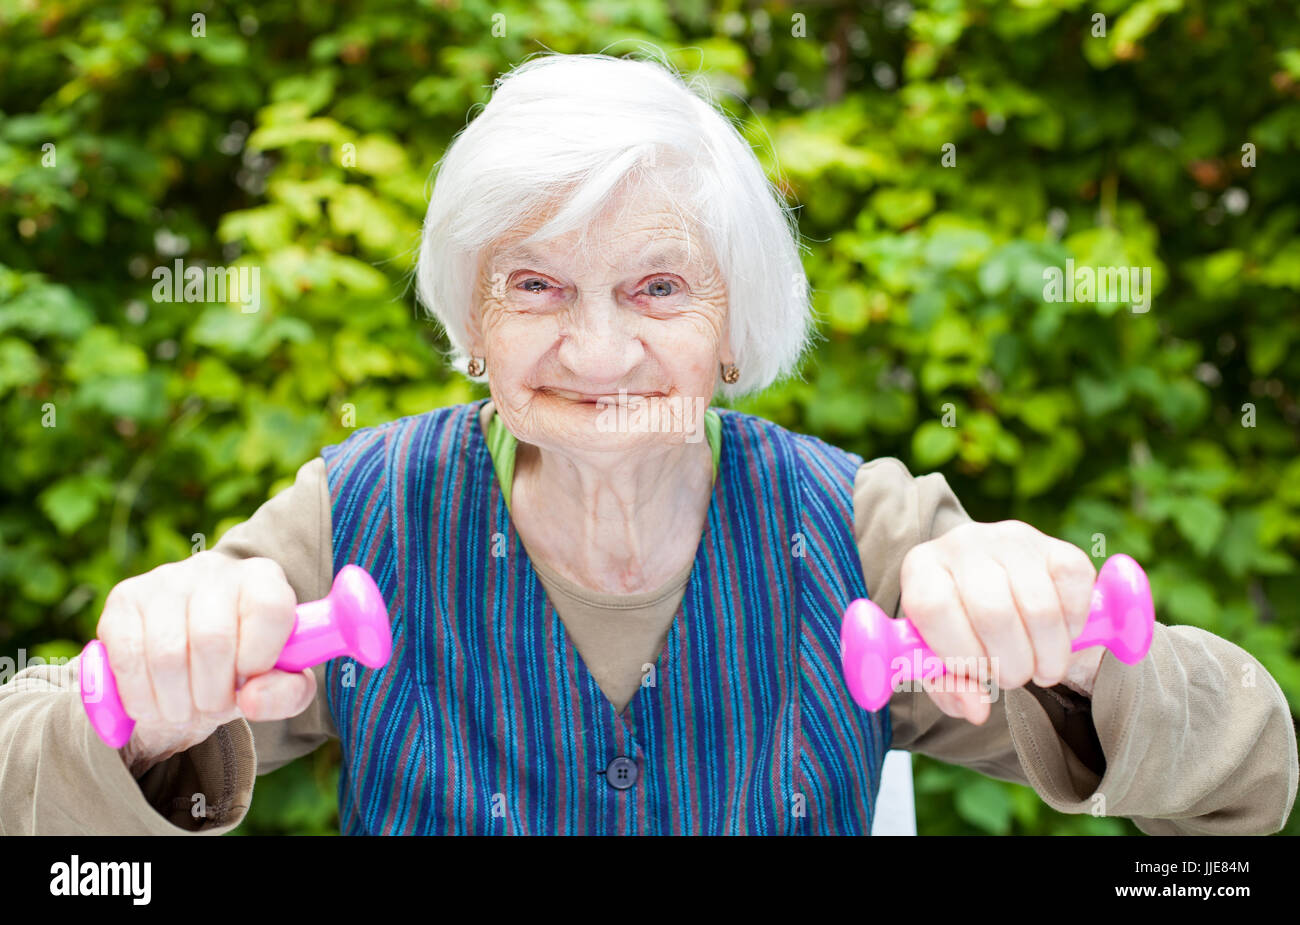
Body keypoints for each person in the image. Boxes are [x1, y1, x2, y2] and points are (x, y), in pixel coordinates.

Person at [1, 52, 1295, 836]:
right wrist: (136, 713)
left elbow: (1251, 773)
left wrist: (1072, 652)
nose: (602, 353)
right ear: (472, 326)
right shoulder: (363, 511)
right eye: (537, 288)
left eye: (661, 290)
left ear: (737, 330)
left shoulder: (855, 525)